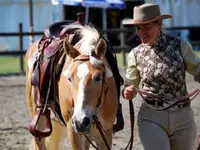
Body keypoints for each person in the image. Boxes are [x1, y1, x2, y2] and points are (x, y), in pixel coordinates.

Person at [122, 3, 198, 150]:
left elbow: (198, 70)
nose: (141, 32)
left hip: (183, 118)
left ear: (159, 24)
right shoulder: (135, 54)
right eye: (138, 27)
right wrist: (128, 91)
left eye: (146, 26)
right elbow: (129, 86)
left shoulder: (181, 46)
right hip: (151, 117)